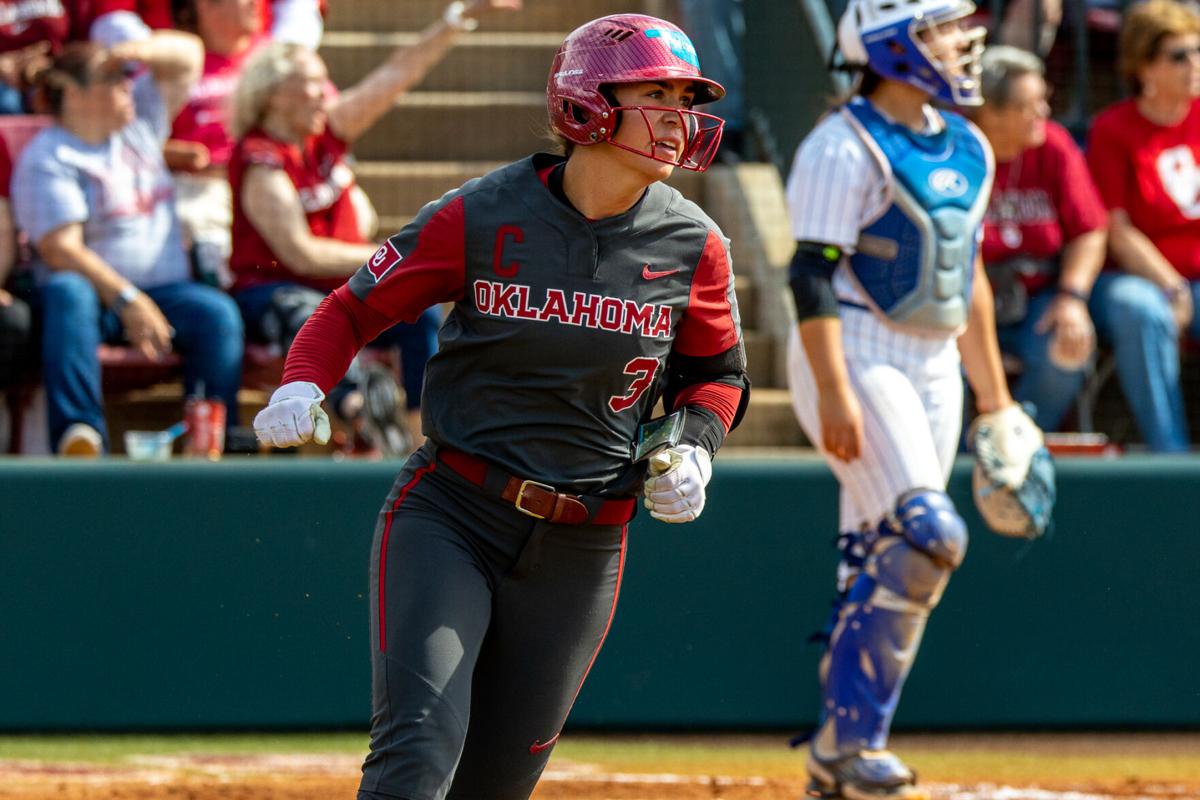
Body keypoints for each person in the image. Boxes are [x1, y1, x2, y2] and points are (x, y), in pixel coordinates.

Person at [252, 12, 746, 799]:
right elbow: (351, 310)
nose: (681, 118)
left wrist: (694, 446)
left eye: (688, 98)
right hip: (455, 512)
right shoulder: (482, 213)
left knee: (497, 785)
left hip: (587, 543)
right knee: (417, 752)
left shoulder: (697, 243)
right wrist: (301, 382)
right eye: (659, 93)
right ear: (589, 103)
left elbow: (716, 375)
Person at [783, 0, 1043, 796]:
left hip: (932, 361)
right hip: (854, 348)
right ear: (893, 42)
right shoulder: (841, 143)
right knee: (929, 528)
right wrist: (832, 391)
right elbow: (810, 275)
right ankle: (850, 745)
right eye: (941, 27)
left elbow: (964, 284)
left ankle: (842, 750)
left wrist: (997, 403)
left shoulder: (968, 143)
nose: (964, 40)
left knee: (884, 555)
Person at [228, 0, 520, 454]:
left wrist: (456, 18)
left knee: (420, 310)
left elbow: (393, 79)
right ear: (272, 93)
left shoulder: (324, 134)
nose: (323, 93)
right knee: (313, 313)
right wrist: (394, 257)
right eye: (309, 83)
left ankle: (419, 430)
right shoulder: (260, 160)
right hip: (272, 291)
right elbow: (300, 254)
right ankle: (355, 412)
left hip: (338, 285)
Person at [11, 33, 244, 456]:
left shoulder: (140, 127)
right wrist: (128, 299)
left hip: (164, 295)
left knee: (216, 314)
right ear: (72, 93)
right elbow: (60, 249)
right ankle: (80, 436)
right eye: (113, 79)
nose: (127, 85)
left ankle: (211, 439)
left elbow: (188, 54)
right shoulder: (48, 156)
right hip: (96, 301)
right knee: (69, 293)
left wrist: (127, 53)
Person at [972, 45, 1109, 432]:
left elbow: (1090, 229)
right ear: (990, 111)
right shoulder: (959, 148)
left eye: (1043, 101)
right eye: (1029, 106)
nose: (1044, 114)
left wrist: (1072, 297)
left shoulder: (1053, 144)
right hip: (967, 298)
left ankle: (1019, 445)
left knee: (1067, 348)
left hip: (1037, 298)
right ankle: (969, 460)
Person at [1086, 0, 1200, 452]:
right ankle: (1170, 459)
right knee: (1144, 312)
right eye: (1180, 55)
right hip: (1132, 279)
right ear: (1145, 67)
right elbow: (1116, 227)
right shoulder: (1112, 129)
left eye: (1198, 51)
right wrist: (1170, 286)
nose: (1195, 64)